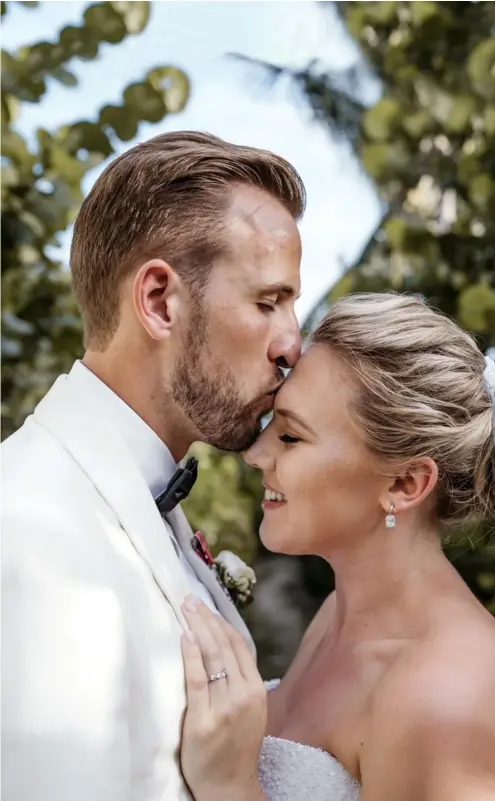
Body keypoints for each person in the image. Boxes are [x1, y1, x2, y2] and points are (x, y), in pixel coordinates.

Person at [179, 292, 495, 801]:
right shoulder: (337, 614)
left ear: (404, 484)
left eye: (291, 437)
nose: (255, 453)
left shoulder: (449, 692)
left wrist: (229, 786)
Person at [1, 130, 305, 801]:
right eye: (268, 301)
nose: (292, 345)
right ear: (161, 301)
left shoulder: (138, 499)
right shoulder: (31, 533)